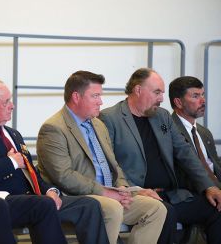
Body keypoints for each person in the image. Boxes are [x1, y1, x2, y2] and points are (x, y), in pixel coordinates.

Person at [36, 70, 167, 244]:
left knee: (156, 208)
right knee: (112, 208)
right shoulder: (53, 128)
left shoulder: (98, 124)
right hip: (77, 197)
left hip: (109, 193)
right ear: (76, 97)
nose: (101, 102)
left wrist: (123, 188)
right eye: (95, 96)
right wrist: (105, 192)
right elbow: (64, 176)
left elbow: (113, 165)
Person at [0, 79, 110, 244]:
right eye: (6, 101)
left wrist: (51, 190)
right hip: (4, 204)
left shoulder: (13, 134)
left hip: (36, 198)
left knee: (89, 205)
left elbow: (33, 173)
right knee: (43, 205)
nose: (12, 105)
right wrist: (11, 163)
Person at [100, 68, 221, 244]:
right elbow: (108, 164)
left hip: (171, 194)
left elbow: (185, 154)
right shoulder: (110, 118)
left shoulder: (162, 116)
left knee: (216, 208)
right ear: (138, 90)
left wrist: (209, 187)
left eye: (162, 93)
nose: (162, 99)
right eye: (157, 92)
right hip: (139, 195)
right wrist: (134, 190)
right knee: (166, 214)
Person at [169, 76, 221, 188]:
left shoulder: (204, 132)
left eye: (203, 94)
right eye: (195, 96)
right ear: (178, 102)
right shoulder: (169, 131)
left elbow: (216, 166)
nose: (203, 100)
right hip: (196, 192)